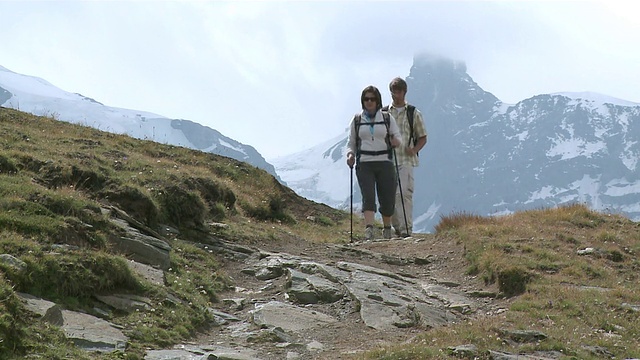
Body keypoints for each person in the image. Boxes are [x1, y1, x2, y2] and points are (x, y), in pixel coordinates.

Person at [346, 85, 402, 240]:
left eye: (372, 99)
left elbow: (398, 138)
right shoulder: (357, 120)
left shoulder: (386, 118)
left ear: (378, 101)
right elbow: (351, 142)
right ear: (362, 101)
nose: (369, 102)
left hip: (385, 161)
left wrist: (395, 141)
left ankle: (386, 228)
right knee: (368, 196)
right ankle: (369, 229)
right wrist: (350, 154)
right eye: (366, 99)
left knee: (387, 197)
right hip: (365, 162)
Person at [387, 77, 427, 238]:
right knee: (390, 194)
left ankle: (406, 229)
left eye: (398, 91)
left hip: (406, 159)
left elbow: (423, 136)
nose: (395, 95)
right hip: (388, 159)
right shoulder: (384, 113)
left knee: (403, 193)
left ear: (404, 92)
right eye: (393, 91)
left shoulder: (413, 113)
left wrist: (415, 149)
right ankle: (396, 226)